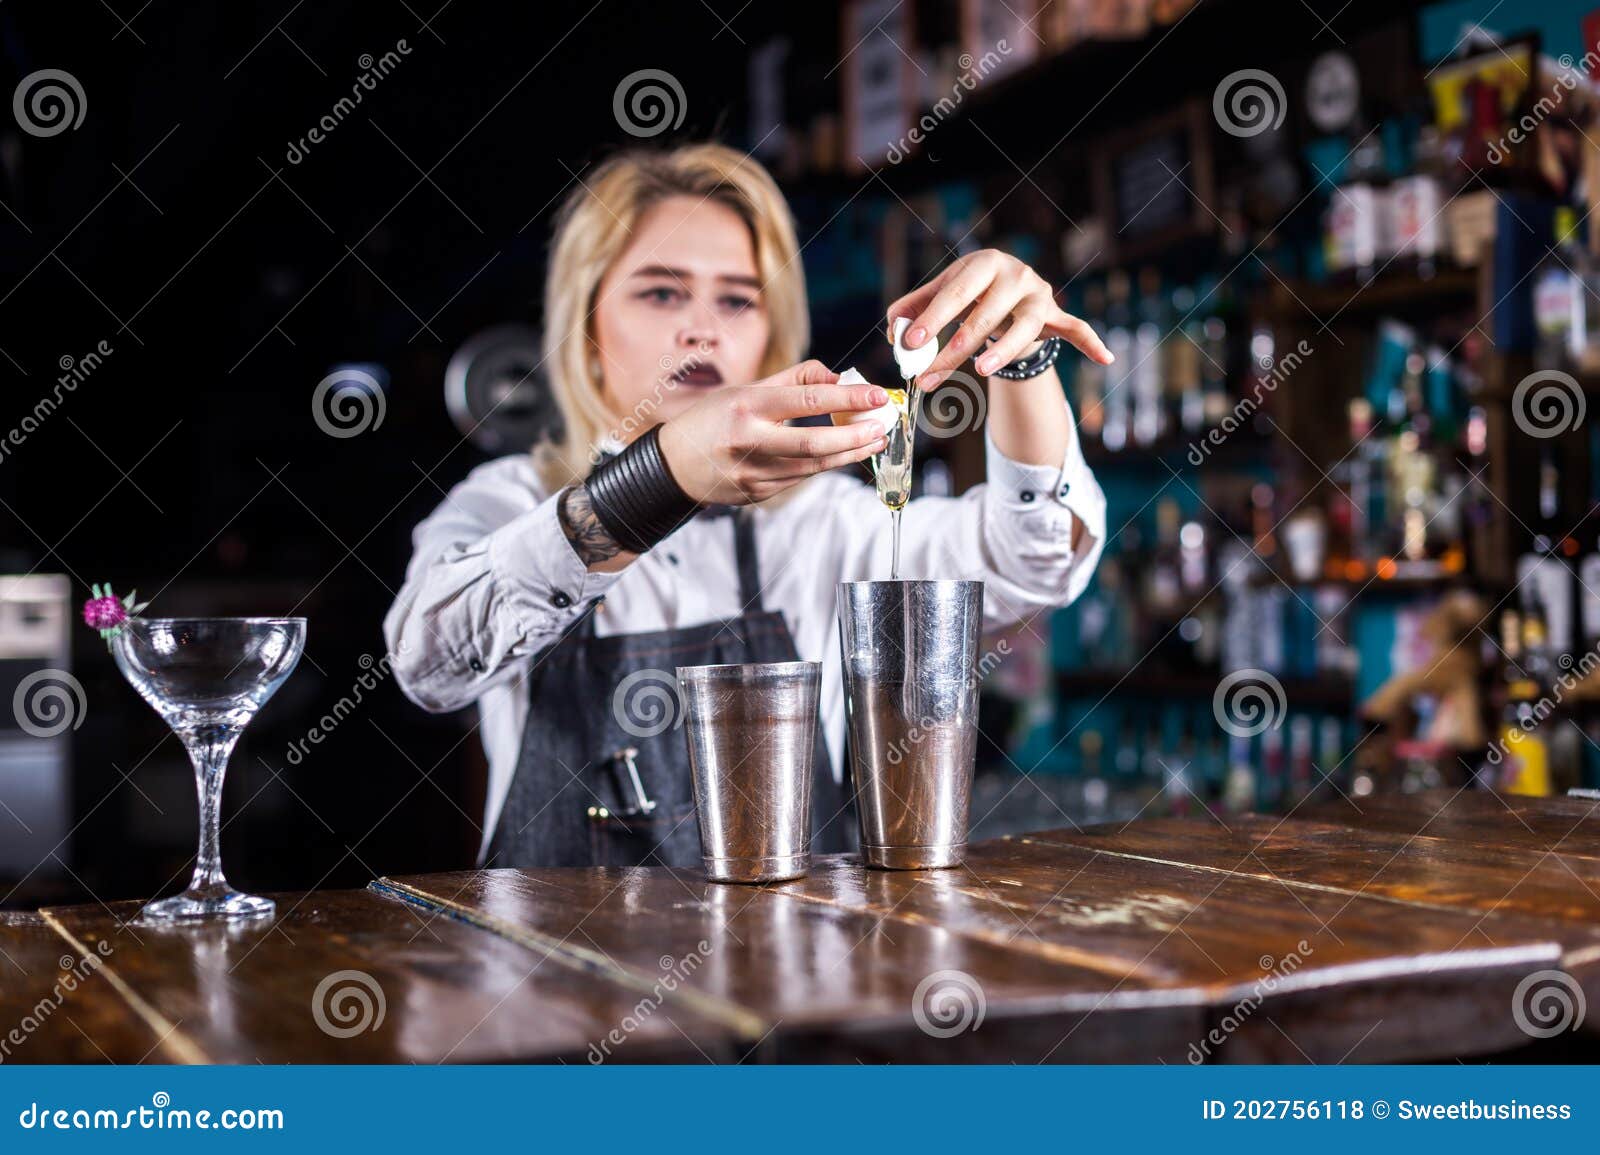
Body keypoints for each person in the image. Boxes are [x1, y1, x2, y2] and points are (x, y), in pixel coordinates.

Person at [384, 142, 1111, 868]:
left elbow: (1032, 561)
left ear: (770, 334)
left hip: (792, 972)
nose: (703, 328)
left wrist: (1023, 357)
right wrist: (661, 478)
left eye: (737, 298)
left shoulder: (821, 520)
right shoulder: (510, 501)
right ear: (589, 330)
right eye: (661, 292)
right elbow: (428, 661)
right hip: (552, 973)